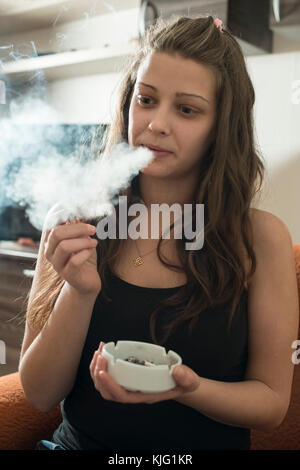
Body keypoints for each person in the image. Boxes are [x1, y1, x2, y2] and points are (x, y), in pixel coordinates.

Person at [19, 16, 299, 451]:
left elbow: (271, 402)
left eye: (186, 109)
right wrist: (78, 292)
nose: (156, 124)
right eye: (146, 100)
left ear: (221, 126)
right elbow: (38, 393)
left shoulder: (260, 239)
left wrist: (187, 389)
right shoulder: (75, 220)